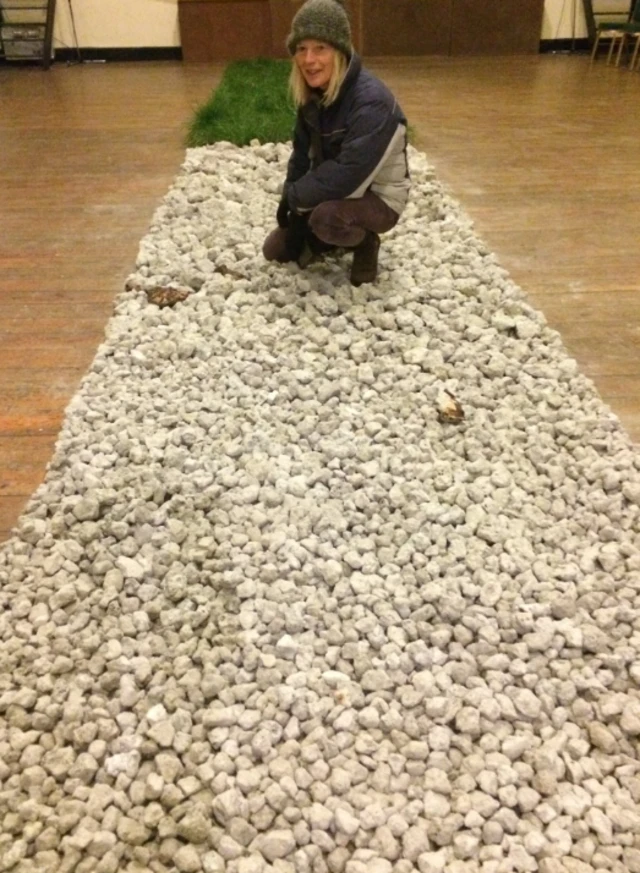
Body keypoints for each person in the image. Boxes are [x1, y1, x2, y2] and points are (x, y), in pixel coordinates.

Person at [262, 0, 411, 286]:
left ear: (340, 51)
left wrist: (299, 198)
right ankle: (326, 241)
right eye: (302, 49)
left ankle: (365, 242)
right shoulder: (314, 96)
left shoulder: (372, 103)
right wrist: (289, 199)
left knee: (325, 220)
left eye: (320, 48)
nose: (309, 60)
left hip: (378, 198)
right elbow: (302, 157)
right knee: (275, 250)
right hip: (337, 191)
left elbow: (349, 173)